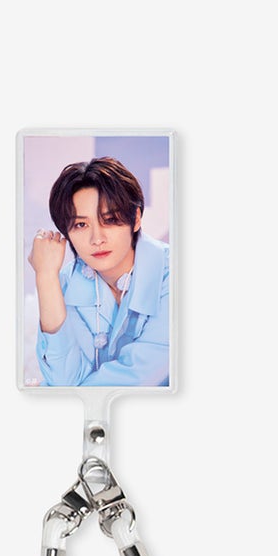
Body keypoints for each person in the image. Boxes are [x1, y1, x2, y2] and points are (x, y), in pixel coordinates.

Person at [31, 156, 169, 387]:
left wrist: (62, 395)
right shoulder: (65, 282)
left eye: (110, 219)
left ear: (136, 219)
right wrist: (45, 276)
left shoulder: (174, 273)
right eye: (81, 225)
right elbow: (63, 381)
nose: (97, 239)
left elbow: (144, 376)